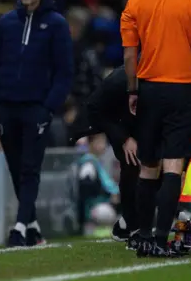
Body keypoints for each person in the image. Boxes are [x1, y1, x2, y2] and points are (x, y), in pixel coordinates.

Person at [120, 0, 191, 257]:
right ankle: (163, 239)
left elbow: (130, 55)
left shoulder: (136, 1)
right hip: (184, 91)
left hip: (149, 89)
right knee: (174, 167)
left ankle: (143, 238)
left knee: (148, 168)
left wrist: (133, 90)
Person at [0, 0, 74, 247]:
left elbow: (64, 71)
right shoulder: (6, 23)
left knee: (29, 167)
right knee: (14, 166)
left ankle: (19, 227)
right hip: (6, 107)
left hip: (36, 108)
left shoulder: (56, 24)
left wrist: (49, 107)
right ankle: (32, 226)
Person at [68, 66, 139, 247]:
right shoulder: (88, 162)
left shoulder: (97, 159)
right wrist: (109, 196)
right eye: (98, 141)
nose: (102, 145)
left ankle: (129, 221)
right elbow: (86, 187)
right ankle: (126, 221)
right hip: (96, 206)